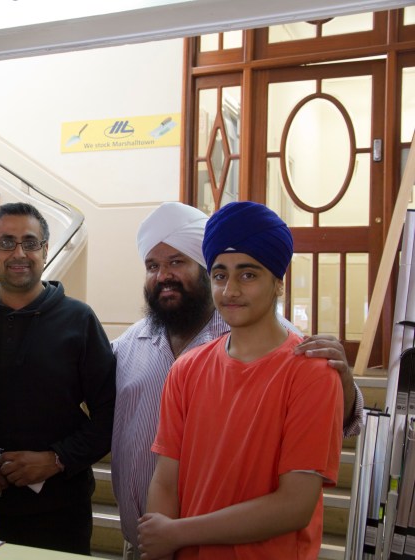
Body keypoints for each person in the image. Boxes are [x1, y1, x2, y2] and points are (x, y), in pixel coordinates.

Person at [112, 202, 363, 554]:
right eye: (220, 275)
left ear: (278, 282)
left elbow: (295, 504)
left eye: (248, 275)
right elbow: (165, 481)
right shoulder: (177, 365)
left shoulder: (308, 366)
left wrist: (177, 533)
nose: (230, 290)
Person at [0, 202, 116, 555]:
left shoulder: (79, 321)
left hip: (59, 513)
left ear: (45, 250)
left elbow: (111, 412)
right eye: (6, 242)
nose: (19, 253)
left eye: (30, 242)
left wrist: (57, 459)